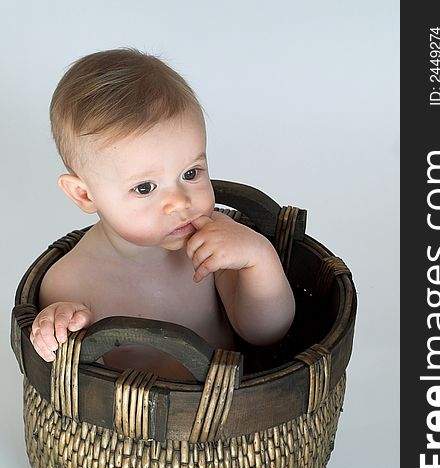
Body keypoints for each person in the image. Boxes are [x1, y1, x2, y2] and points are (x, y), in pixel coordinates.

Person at [30, 48, 295, 379]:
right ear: (84, 194)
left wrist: (258, 258)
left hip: (229, 417)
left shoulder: (214, 240)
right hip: (125, 428)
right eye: (145, 188)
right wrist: (54, 326)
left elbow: (265, 334)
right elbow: (75, 377)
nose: (180, 202)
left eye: (191, 173)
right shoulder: (69, 281)